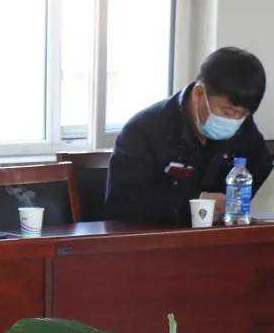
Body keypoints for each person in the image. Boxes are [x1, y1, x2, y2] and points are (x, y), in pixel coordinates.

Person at [106, 47, 273, 225]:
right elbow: (123, 203)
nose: (234, 121)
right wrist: (197, 201)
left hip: (218, 234)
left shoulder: (243, 127)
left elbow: (262, 168)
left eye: (243, 114)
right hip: (157, 234)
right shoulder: (144, 130)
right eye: (227, 111)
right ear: (199, 94)